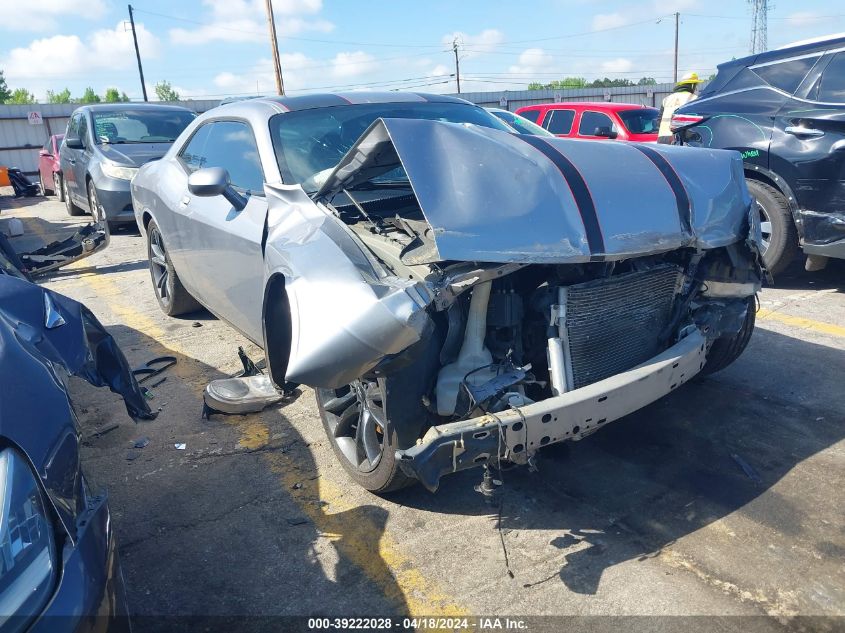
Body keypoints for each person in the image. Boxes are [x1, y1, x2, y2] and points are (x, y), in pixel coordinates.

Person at [657, 72, 704, 144]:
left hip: (662, 138)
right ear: (692, 85)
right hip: (679, 140)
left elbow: (659, 121)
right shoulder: (694, 99)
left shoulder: (666, 99)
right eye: (696, 85)